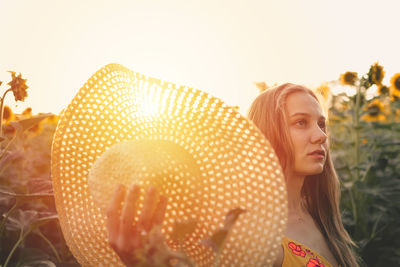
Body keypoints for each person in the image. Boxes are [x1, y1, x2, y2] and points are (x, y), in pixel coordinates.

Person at [107, 83, 359, 267]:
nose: (321, 136)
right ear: (268, 134)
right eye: (301, 123)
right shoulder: (247, 231)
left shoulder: (321, 212)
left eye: (321, 124)